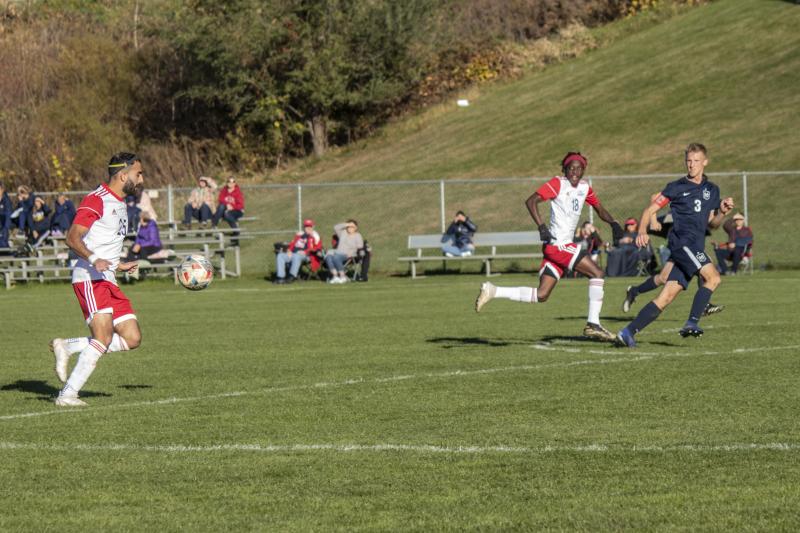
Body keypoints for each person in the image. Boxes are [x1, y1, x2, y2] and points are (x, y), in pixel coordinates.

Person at [474, 151, 625, 341]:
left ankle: (493, 290)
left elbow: (600, 209)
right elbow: (531, 201)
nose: (575, 172)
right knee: (598, 273)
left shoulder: (585, 187)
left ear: (584, 170)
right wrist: (541, 227)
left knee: (542, 295)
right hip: (559, 246)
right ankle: (593, 324)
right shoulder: (558, 183)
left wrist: (614, 223)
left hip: (558, 248)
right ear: (565, 169)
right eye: (571, 168)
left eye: (579, 168)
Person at [49, 152, 145, 406]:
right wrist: (94, 260)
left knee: (132, 337)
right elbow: (73, 237)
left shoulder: (121, 203)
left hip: (108, 277)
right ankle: (68, 394)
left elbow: (103, 244)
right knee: (102, 337)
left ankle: (69, 346)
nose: (141, 179)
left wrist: (117, 264)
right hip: (89, 278)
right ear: (123, 175)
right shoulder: (96, 199)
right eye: (139, 174)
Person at [616, 143, 734, 348]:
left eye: (696, 161)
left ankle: (627, 332)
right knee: (713, 278)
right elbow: (649, 210)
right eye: (688, 161)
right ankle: (692, 322)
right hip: (683, 243)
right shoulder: (676, 187)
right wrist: (642, 231)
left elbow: (712, 225)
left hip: (694, 245)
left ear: (705, 162)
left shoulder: (712, 190)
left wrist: (723, 212)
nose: (692, 165)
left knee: (667, 296)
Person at [622, 200, 723, 317]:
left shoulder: (701, 201)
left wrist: (720, 211)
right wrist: (653, 220)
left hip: (688, 247)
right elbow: (654, 199)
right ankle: (704, 305)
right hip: (682, 247)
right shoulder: (678, 198)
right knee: (704, 265)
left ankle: (634, 291)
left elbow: (712, 223)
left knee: (663, 278)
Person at [274, 219, 322, 284]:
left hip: (307, 256)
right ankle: (280, 278)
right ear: (304, 227)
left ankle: (291, 276)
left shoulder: (315, 236)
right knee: (280, 255)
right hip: (293, 254)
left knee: (297, 256)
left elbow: (317, 248)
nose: (307, 228)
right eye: (306, 227)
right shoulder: (300, 235)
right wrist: (289, 250)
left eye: (309, 227)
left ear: (312, 227)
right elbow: (292, 244)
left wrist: (305, 252)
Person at [324, 219, 364, 284]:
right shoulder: (343, 233)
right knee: (328, 256)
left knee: (336, 257)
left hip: (349, 254)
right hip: (338, 252)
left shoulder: (358, 235)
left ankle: (343, 277)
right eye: (349, 227)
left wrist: (351, 253)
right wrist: (347, 224)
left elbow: (360, 247)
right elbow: (336, 227)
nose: (350, 228)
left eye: (352, 227)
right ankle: (335, 276)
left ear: (356, 228)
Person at [212, 176, 245, 245]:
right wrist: (227, 204)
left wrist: (232, 207)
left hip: (237, 210)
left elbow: (240, 205)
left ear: (235, 183)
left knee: (227, 214)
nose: (230, 183)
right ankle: (214, 225)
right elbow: (220, 199)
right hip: (226, 210)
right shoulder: (224, 190)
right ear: (227, 183)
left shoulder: (238, 192)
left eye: (232, 182)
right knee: (221, 206)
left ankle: (236, 232)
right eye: (229, 182)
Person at [0, 183, 14, 250]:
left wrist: (6, 227)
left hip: (4, 225)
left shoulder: (6, 200)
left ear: (2, 190)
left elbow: (8, 214)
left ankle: (7, 250)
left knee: (2, 242)